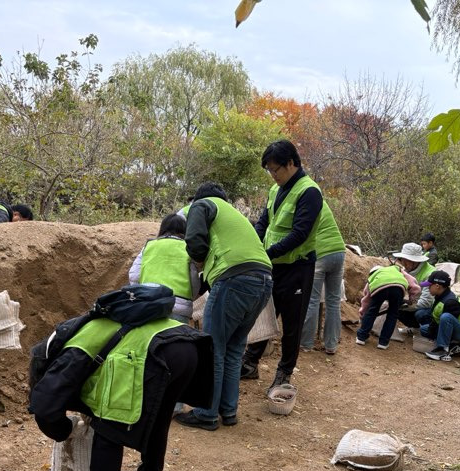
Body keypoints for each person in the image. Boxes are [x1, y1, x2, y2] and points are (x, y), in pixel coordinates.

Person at [30, 314, 212, 471]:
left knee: (109, 418)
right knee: (159, 417)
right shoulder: (81, 332)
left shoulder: (67, 358)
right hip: (186, 345)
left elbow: (45, 409)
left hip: (154, 352)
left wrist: (65, 429)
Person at [174, 182, 273, 431]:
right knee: (234, 348)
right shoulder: (235, 217)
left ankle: (206, 413)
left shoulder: (203, 205)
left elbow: (194, 241)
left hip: (234, 279)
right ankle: (228, 410)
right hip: (263, 281)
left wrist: (198, 261)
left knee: (212, 348)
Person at [241, 140, 331, 390]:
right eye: (269, 170)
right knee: (264, 315)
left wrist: (267, 253)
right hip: (273, 266)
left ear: (291, 163)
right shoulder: (275, 189)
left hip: (297, 268)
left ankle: (284, 372)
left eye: (275, 169)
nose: (273, 175)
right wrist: (254, 246)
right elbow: (264, 222)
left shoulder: (309, 191)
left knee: (292, 324)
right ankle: (250, 363)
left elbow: (300, 234)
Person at [129, 213, 201, 324]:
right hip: (178, 309)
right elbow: (194, 281)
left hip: (149, 304)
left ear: (163, 228)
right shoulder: (187, 249)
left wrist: (142, 295)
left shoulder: (149, 246)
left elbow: (134, 276)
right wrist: (189, 298)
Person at [299, 198, 347, 355]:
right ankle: (331, 345)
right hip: (339, 251)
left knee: (312, 299)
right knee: (333, 301)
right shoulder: (321, 201)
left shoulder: (303, 203)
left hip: (320, 253)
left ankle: (306, 344)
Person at [355, 262, 421, 349]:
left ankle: (361, 337)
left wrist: (363, 313)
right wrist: (411, 298)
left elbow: (366, 301)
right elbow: (413, 284)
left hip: (379, 287)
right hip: (398, 288)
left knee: (372, 311)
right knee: (392, 315)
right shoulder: (396, 269)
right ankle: (383, 343)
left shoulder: (372, 278)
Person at [421, 270, 460, 362]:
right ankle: (455, 345)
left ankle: (443, 350)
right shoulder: (440, 296)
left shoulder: (450, 301)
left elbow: (448, 322)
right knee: (423, 329)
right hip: (453, 327)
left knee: (446, 317)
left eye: (429, 286)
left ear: (437, 286)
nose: (428, 288)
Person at [391, 242, 436, 330]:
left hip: (431, 308)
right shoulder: (408, 270)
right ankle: (415, 328)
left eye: (406, 261)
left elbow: (427, 302)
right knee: (396, 308)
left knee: (421, 314)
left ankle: (429, 330)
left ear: (415, 261)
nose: (403, 264)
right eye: (402, 260)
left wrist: (404, 306)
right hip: (416, 302)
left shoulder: (430, 274)